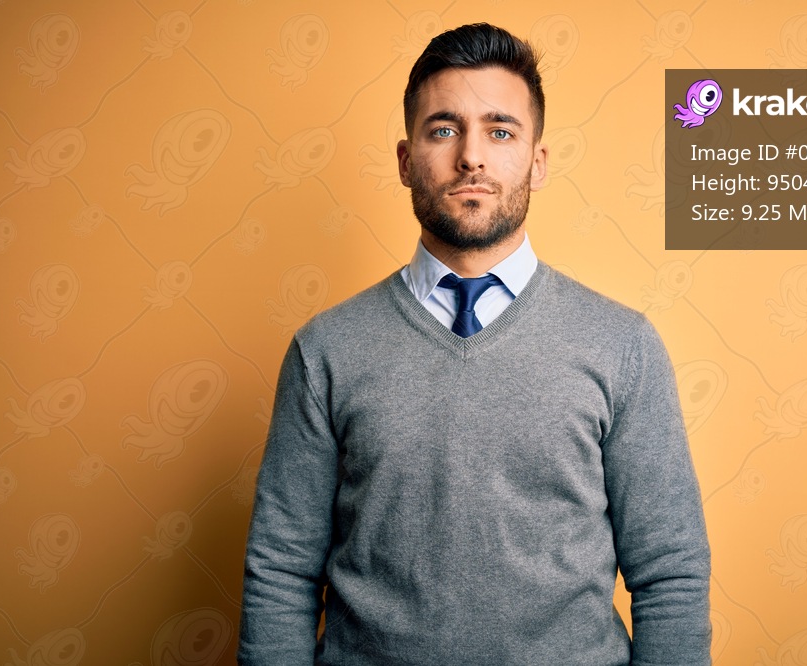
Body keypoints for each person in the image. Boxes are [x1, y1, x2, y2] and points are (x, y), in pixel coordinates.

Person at [239, 22, 711, 666]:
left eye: (500, 131)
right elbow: (281, 570)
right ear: (406, 161)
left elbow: (671, 573)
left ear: (537, 161)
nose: (471, 156)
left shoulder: (622, 345)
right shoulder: (326, 349)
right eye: (443, 129)